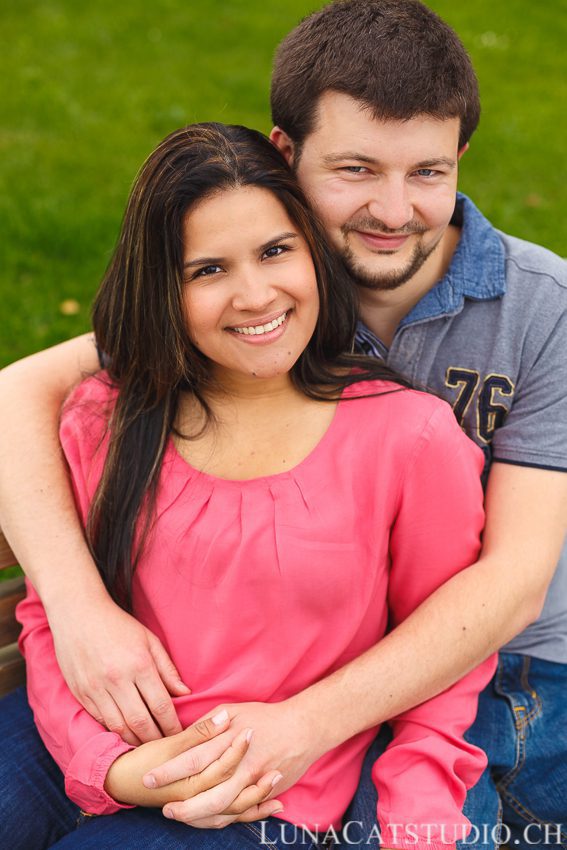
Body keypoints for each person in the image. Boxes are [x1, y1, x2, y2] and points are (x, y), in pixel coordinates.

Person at [0, 0, 565, 846]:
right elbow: (21, 391)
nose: (393, 209)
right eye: (355, 169)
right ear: (284, 154)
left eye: (427, 172)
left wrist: (304, 726)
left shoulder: (537, 308)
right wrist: (80, 610)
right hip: (233, 669)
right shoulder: (256, 301)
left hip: (504, 667)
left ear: (460, 160)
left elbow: (509, 585)